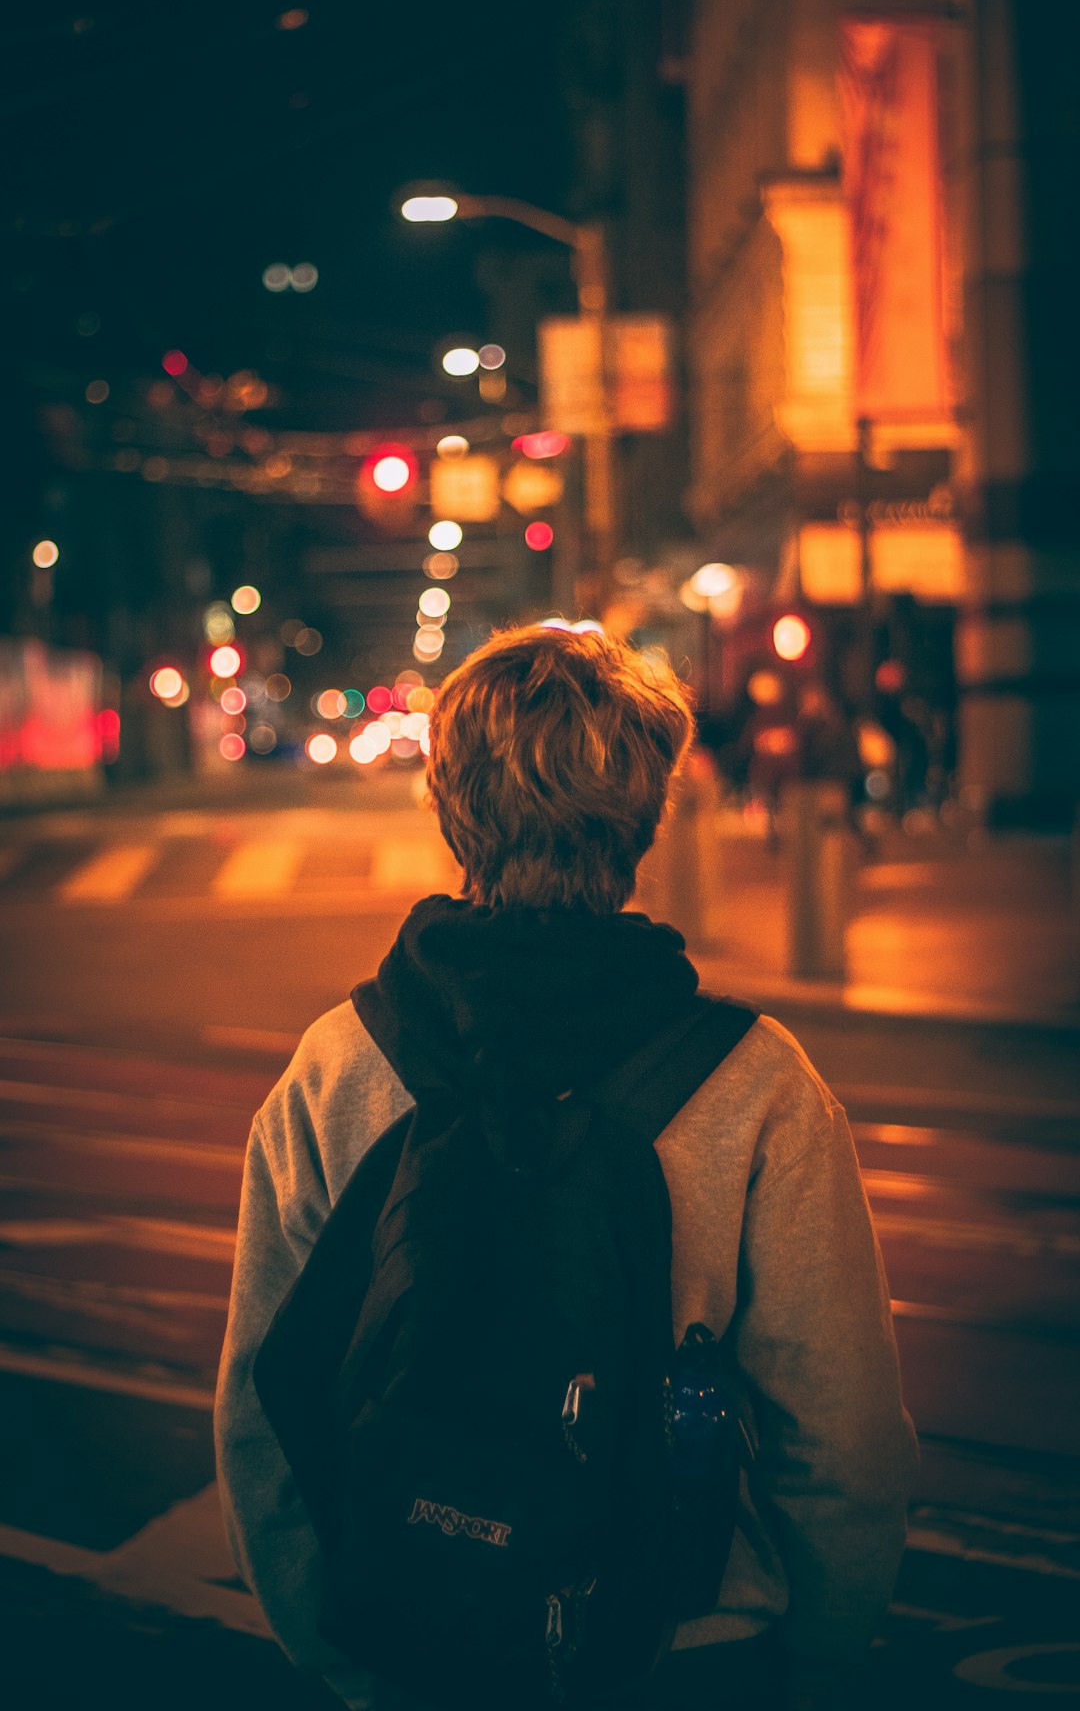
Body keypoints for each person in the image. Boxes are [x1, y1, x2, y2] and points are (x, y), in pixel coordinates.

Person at [215, 623, 918, 1710]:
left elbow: (265, 1405)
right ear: (648, 815)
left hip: (415, 1634)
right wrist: (816, 1665)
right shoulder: (757, 1082)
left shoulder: (339, 1066)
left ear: (449, 807)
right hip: (687, 1650)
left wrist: (343, 1660)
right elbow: (843, 1438)